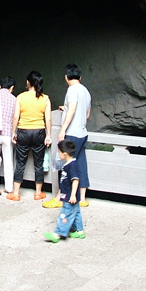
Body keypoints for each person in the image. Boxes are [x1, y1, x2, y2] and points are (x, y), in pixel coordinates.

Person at [44, 63, 92, 209]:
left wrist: (62, 130)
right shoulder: (85, 91)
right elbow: (87, 114)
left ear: (66, 77)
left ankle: (59, 198)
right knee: (81, 164)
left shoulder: (72, 90)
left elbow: (72, 109)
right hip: (83, 134)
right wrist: (66, 108)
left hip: (72, 133)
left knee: (66, 165)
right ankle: (82, 199)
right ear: (80, 77)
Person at [9, 70, 52, 202]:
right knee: (38, 163)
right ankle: (38, 193)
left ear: (28, 82)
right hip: (39, 131)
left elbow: (15, 117)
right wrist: (48, 135)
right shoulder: (45, 98)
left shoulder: (20, 97)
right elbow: (48, 119)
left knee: (20, 162)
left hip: (23, 131)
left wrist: (13, 132)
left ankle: (16, 193)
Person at [44, 139, 85, 242]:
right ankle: (80, 231)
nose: (58, 155)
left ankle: (58, 234)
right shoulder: (68, 164)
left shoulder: (72, 166)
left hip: (69, 197)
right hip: (67, 195)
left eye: (59, 152)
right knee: (76, 213)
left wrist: (73, 195)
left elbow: (75, 180)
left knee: (65, 214)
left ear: (65, 154)